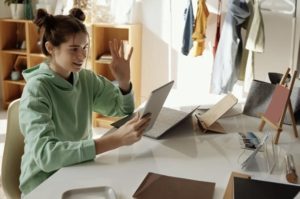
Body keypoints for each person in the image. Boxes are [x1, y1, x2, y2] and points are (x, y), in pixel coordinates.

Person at [19, 8, 151, 196]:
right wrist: (115, 140)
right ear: (50, 48)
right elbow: (46, 156)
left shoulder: (85, 79)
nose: (82, 56)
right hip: (44, 184)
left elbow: (122, 108)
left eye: (85, 48)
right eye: (73, 49)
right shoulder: (37, 89)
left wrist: (123, 81)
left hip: (77, 170)